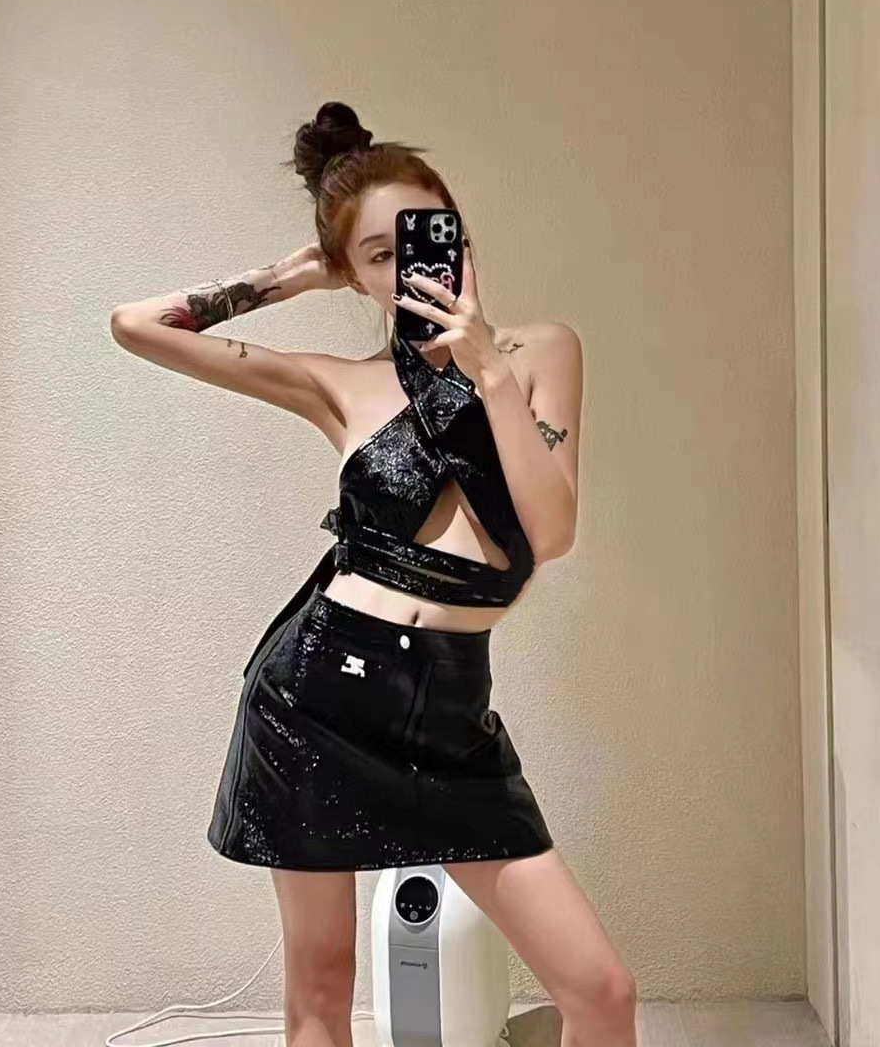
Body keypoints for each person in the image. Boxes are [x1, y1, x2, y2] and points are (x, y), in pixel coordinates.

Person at [110, 101, 638, 1047]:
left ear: (460, 235)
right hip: (314, 699)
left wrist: (484, 368)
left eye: (423, 237)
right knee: (321, 988)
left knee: (600, 990)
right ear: (352, 272)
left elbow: (550, 532)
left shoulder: (541, 352)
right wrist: (292, 277)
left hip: (448, 713)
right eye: (377, 255)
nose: (408, 266)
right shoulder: (338, 384)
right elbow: (137, 325)